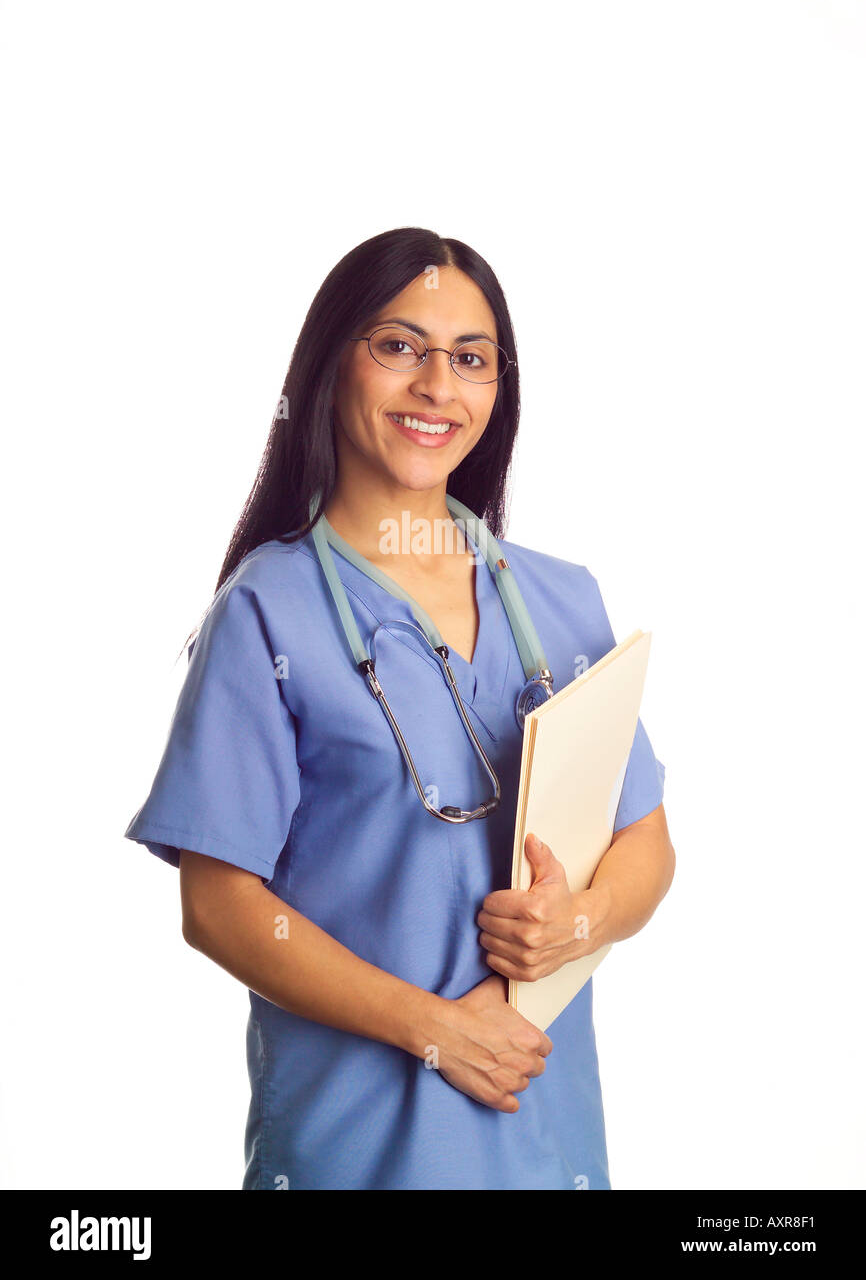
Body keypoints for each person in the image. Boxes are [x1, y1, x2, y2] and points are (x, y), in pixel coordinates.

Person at [125, 227, 675, 1190]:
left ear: (497, 390)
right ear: (332, 364)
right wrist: (435, 1031)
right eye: (398, 346)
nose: (437, 385)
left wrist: (575, 925)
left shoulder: (559, 603)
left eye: (470, 359)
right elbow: (218, 906)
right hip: (359, 1156)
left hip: (547, 1149)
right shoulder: (267, 613)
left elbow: (648, 846)